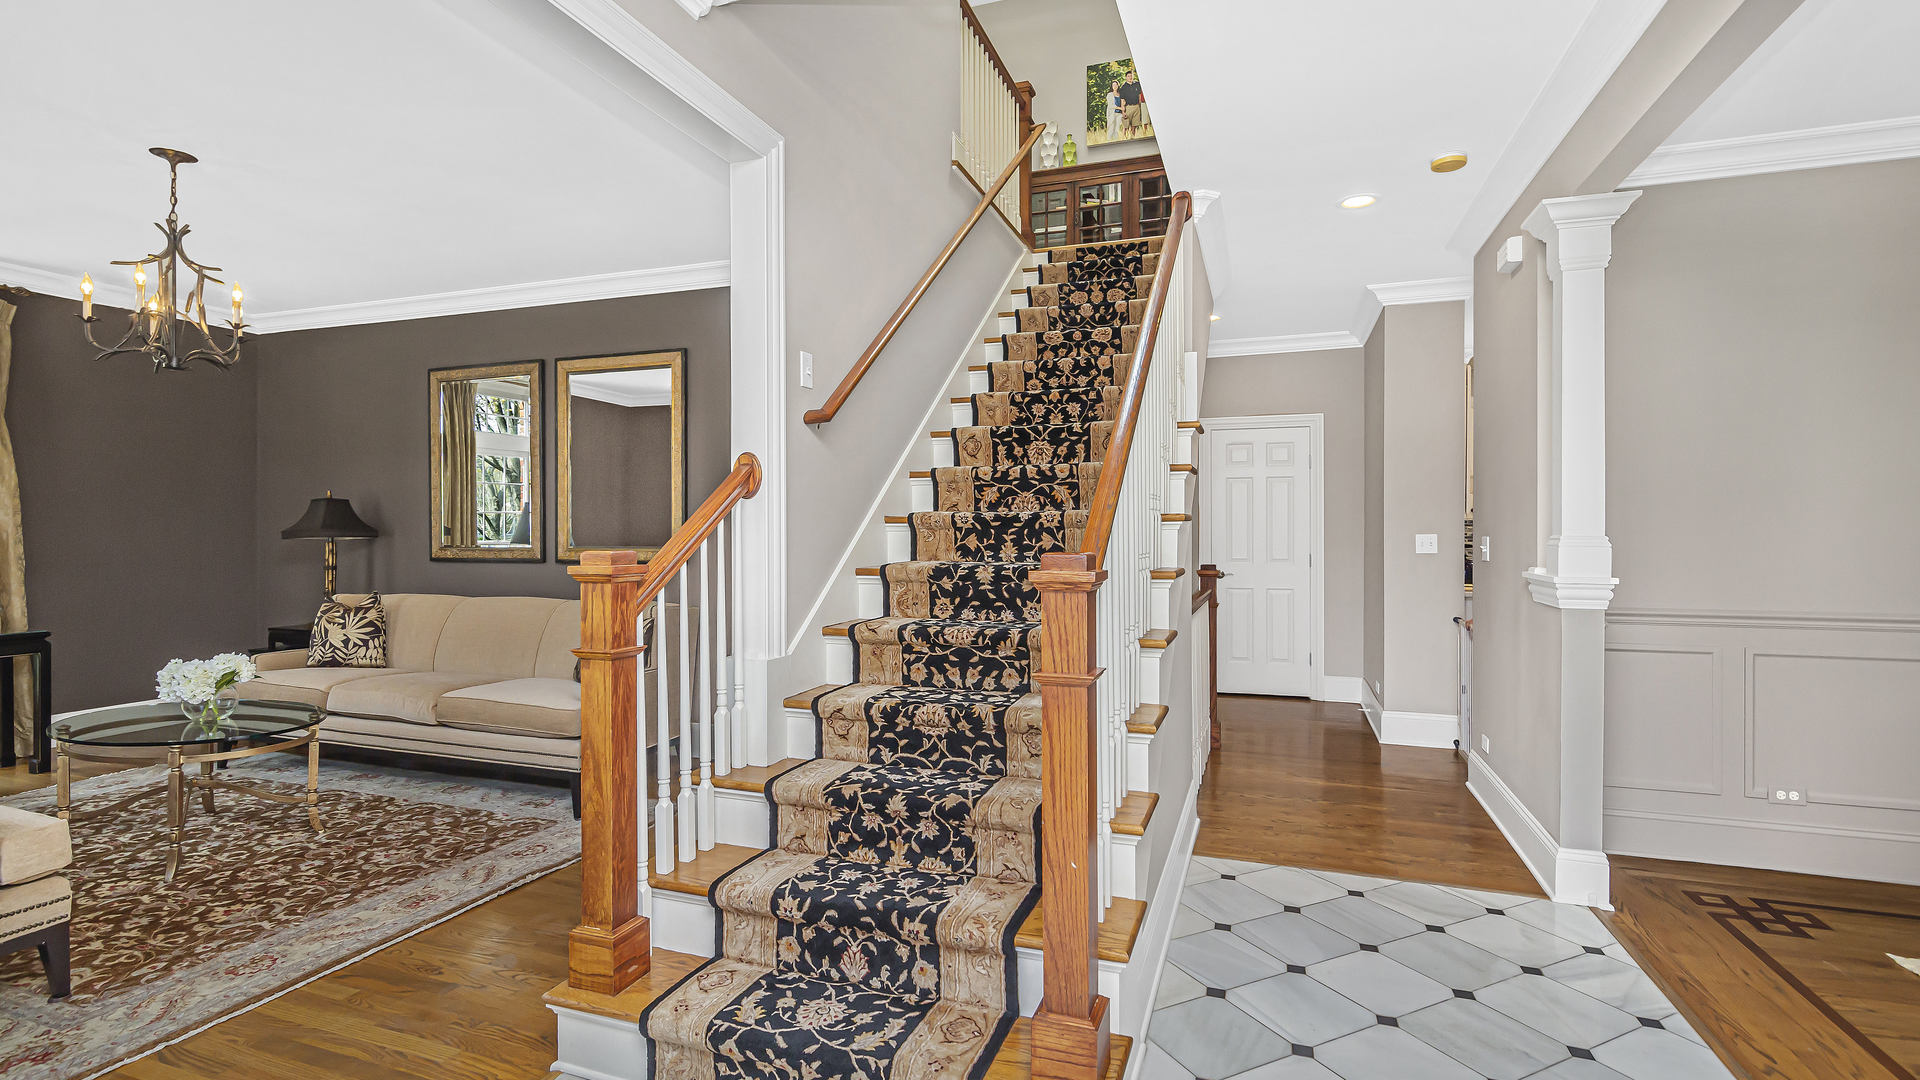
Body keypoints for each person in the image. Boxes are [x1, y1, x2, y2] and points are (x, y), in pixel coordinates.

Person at [1119, 72, 1143, 139]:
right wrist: (1123, 111)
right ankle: (1124, 138)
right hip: (1128, 107)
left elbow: (1139, 95)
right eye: (1128, 76)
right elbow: (1122, 100)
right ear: (1126, 77)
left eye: (1131, 76)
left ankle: (1133, 137)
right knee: (1126, 126)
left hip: (1136, 106)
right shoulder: (1124, 87)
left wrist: (1139, 105)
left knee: (1134, 125)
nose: (1130, 77)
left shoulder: (1137, 84)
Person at [1105, 79, 1123, 144]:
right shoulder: (1110, 94)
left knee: (1117, 129)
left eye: (1116, 85)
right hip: (1112, 114)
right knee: (1111, 129)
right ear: (1111, 86)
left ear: (1118, 86)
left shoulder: (1120, 94)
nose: (1115, 86)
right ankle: (1109, 142)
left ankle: (1116, 142)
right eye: (1113, 85)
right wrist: (1120, 108)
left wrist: (1122, 110)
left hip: (1119, 114)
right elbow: (1111, 105)